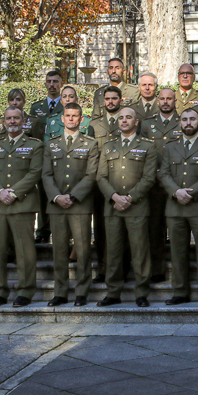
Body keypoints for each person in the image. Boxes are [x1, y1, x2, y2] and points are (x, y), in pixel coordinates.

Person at [96, 107, 157, 307]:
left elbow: (149, 178)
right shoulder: (108, 146)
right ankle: (113, 292)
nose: (124, 121)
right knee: (113, 251)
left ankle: (141, 293)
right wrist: (114, 197)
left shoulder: (147, 146)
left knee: (140, 251)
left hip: (136, 207)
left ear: (136, 121)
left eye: (128, 117)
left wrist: (129, 198)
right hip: (113, 207)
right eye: (121, 118)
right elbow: (101, 177)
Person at [0, 107, 43, 308]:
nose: (12, 121)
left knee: (24, 251)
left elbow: (35, 173)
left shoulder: (34, 145)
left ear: (23, 121)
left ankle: (26, 290)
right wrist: (0, 192)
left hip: (22, 205)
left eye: (16, 118)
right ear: (4, 121)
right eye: (9, 118)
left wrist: (14, 192)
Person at [159, 108, 198, 307]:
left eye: (192, 119)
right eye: (184, 119)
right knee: (177, 252)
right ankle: (180, 290)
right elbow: (164, 174)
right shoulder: (169, 147)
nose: (188, 122)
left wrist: (191, 192)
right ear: (179, 123)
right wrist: (177, 192)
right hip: (175, 207)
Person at [42, 102, 100, 307]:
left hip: (80, 205)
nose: (71, 119)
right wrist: (57, 197)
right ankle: (60, 291)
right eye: (68, 115)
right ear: (62, 118)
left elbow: (91, 174)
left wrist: (73, 196)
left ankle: (82, 291)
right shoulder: (51, 144)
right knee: (58, 250)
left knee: (83, 250)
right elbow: (46, 175)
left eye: (75, 116)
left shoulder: (91, 144)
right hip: (57, 205)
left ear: (81, 119)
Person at [140, 88, 184, 284]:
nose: (166, 102)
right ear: (158, 101)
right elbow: (141, 152)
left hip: (178, 183)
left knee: (178, 229)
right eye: (163, 99)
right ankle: (157, 269)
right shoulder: (147, 124)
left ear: (175, 101)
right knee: (155, 228)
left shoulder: (183, 121)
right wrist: (154, 175)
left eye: (169, 99)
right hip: (155, 185)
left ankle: (180, 271)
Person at [86, 86, 124, 281]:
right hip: (101, 183)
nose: (110, 102)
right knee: (100, 229)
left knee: (123, 229)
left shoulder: (128, 120)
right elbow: (91, 155)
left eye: (114, 98)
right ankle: (102, 270)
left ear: (121, 100)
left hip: (123, 180)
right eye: (107, 99)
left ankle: (124, 269)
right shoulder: (94, 124)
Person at [31, 70, 65, 243]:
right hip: (42, 156)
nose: (52, 85)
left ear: (61, 84)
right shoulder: (36, 108)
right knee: (43, 195)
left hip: (61, 157)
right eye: (49, 81)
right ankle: (43, 232)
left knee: (60, 192)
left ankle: (61, 232)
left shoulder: (67, 106)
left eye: (55, 82)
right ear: (45, 84)